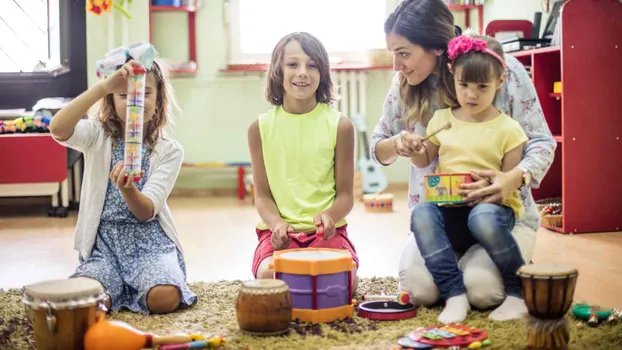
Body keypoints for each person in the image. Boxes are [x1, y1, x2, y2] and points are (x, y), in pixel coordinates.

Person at [370, 0, 556, 322]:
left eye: (403, 53)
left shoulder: (501, 69)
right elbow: (379, 145)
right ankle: (456, 283)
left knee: (483, 291)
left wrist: (513, 177)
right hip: (441, 217)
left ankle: (502, 274)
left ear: (437, 49)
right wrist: (398, 144)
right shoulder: (405, 84)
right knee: (421, 291)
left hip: (497, 216)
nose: (396, 65)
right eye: (393, 53)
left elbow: (541, 141)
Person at [49, 43, 197, 315]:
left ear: (159, 99)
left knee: (164, 298)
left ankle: (144, 286)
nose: (134, 101)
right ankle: (112, 288)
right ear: (112, 101)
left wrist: (128, 189)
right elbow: (58, 128)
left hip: (150, 244)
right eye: (122, 95)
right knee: (84, 300)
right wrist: (103, 87)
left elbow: (146, 211)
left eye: (145, 93)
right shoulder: (98, 135)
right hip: (105, 247)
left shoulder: (168, 150)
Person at [407, 34, 529, 324]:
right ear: (453, 78)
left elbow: (508, 186)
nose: (471, 95)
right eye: (464, 85)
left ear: (500, 81)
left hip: (491, 214)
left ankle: (519, 291)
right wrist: (414, 149)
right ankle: (454, 294)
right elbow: (424, 159)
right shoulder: (442, 119)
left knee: (482, 217)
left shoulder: (509, 129)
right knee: (421, 213)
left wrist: (491, 189)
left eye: (482, 87)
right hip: (449, 212)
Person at [248, 32, 359, 291]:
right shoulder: (259, 128)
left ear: (323, 74)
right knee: (269, 277)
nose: (302, 73)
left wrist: (330, 216)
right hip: (278, 235)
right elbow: (262, 196)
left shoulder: (341, 126)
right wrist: (276, 225)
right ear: (278, 70)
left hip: (327, 234)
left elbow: (345, 195)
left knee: (347, 281)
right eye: (292, 64)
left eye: (312, 65)